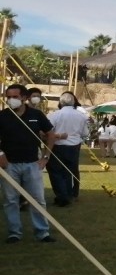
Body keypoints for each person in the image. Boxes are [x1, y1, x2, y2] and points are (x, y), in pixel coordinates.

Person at [0, 84, 57, 243]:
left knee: (37, 199)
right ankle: (14, 232)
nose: (11, 100)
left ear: (24, 98)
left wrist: (45, 157)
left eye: (15, 97)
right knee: (10, 200)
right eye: (8, 97)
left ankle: (42, 232)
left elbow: (51, 135)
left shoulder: (36, 115)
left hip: (32, 164)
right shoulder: (3, 116)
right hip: (9, 166)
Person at [46, 91, 89, 207]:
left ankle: (62, 195)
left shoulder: (54, 115)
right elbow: (85, 133)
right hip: (74, 146)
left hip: (58, 145)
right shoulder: (81, 116)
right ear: (73, 101)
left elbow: (47, 131)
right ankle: (68, 194)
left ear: (60, 102)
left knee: (55, 171)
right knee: (69, 171)